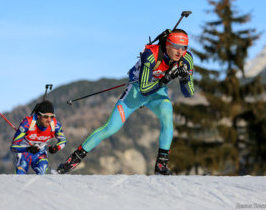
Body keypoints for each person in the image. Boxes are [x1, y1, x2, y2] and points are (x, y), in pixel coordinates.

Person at [57, 29, 194, 175]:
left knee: (167, 116)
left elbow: (189, 92)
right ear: (167, 44)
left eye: (184, 47)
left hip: (158, 93)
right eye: (176, 46)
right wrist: (166, 78)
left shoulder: (186, 59)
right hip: (136, 92)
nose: (180, 51)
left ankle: (161, 165)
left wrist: (184, 78)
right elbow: (144, 89)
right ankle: (73, 159)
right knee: (111, 128)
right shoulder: (151, 56)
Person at [10, 100, 67, 174]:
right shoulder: (27, 123)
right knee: (20, 176)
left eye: (52, 116)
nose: (49, 120)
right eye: (46, 116)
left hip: (40, 154)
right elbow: (13, 147)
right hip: (24, 154)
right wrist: (28, 149)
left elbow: (63, 140)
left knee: (42, 175)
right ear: (38, 116)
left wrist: (56, 148)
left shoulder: (55, 125)